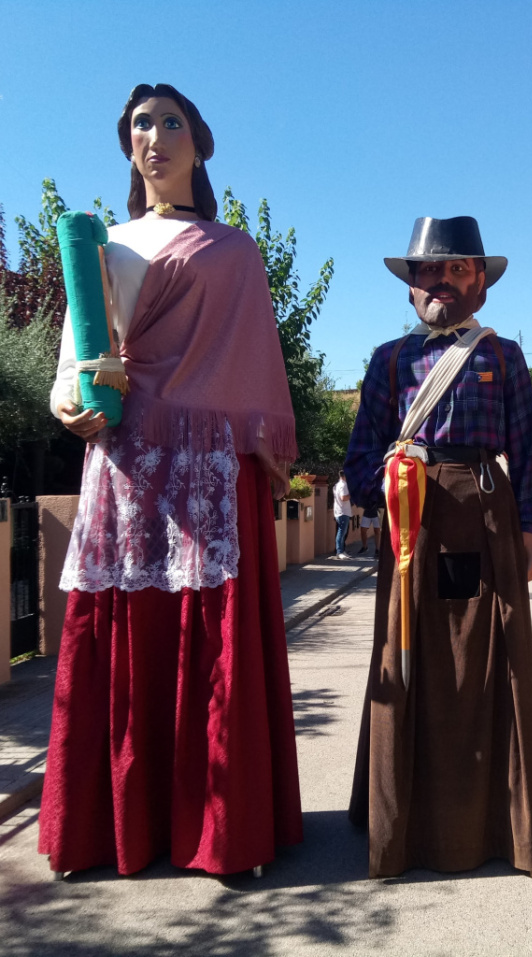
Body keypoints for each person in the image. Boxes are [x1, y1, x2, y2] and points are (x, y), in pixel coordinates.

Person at [39, 83, 303, 877]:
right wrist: (66, 403)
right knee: (125, 638)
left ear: (200, 142)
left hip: (212, 470)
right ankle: (113, 824)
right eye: (140, 125)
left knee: (210, 642)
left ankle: (222, 828)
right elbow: (74, 362)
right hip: (126, 462)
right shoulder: (104, 245)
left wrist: (265, 453)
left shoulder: (235, 251)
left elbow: (257, 368)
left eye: (170, 122)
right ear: (129, 146)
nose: (154, 135)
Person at [345, 216, 532, 878]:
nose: (440, 280)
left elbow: (530, 449)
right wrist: (383, 488)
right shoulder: (388, 360)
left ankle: (501, 826)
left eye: (456, 268)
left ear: (480, 284)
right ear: (411, 286)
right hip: (411, 528)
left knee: (492, 659)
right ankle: (402, 829)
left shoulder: (503, 356)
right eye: (427, 271)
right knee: (407, 659)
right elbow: (360, 455)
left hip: (488, 524)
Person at [333, 468, 353, 559]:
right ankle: (339, 551)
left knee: (342, 532)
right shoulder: (343, 485)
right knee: (341, 532)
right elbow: (343, 498)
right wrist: (351, 494)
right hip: (343, 512)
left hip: (339, 511)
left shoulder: (337, 485)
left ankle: (342, 550)